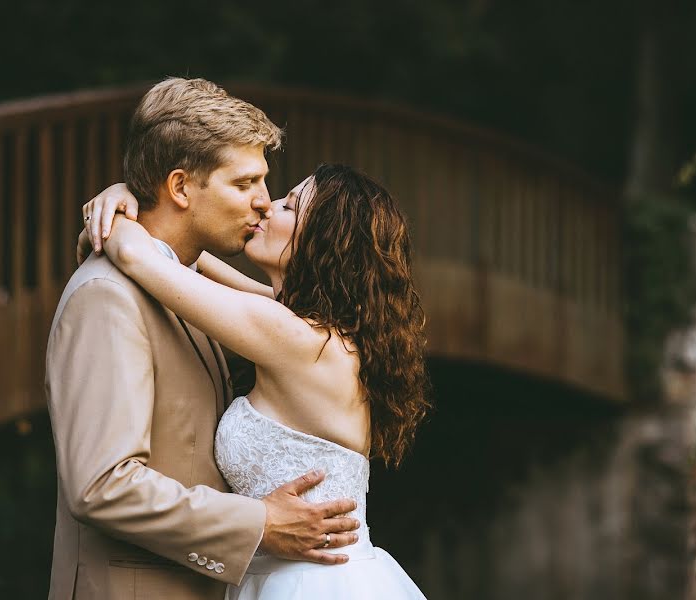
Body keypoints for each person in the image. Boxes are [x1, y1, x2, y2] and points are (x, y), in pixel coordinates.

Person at [46, 77, 361, 600]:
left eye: (267, 184)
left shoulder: (186, 288)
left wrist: (123, 213)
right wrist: (257, 521)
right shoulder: (108, 296)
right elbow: (101, 486)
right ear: (180, 187)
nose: (264, 203)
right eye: (245, 184)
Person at [78, 162, 430, 599]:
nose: (266, 206)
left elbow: (138, 257)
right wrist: (133, 197)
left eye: (289, 205)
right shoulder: (318, 335)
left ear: (323, 240)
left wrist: (116, 212)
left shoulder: (294, 338)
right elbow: (188, 256)